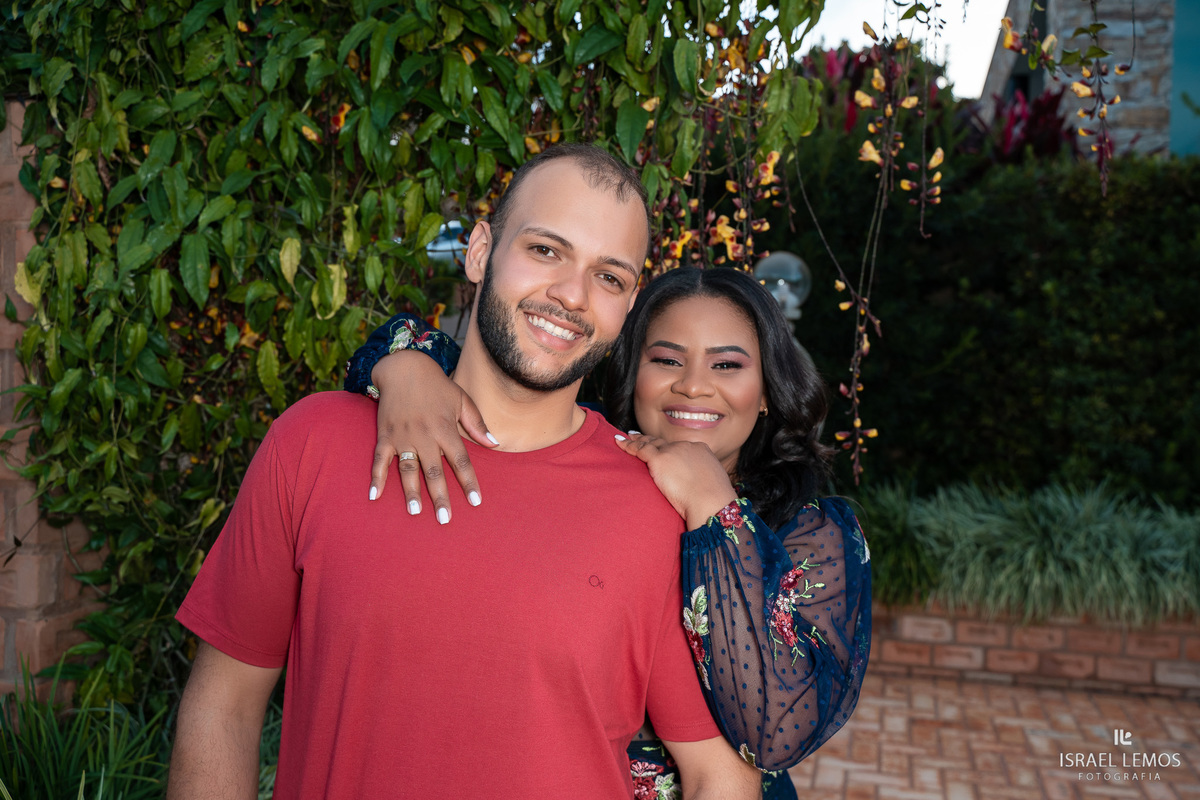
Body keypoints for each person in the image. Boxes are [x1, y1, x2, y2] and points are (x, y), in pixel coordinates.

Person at [168, 144, 761, 800]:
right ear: (480, 251)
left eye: (609, 277)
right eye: (545, 250)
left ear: (627, 308)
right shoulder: (313, 444)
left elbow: (723, 776)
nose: (570, 294)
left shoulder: (656, 508)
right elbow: (224, 705)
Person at [346, 267, 872, 799]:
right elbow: (430, 353)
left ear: (766, 391)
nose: (692, 384)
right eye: (666, 359)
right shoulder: (579, 457)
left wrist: (714, 509)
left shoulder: (811, 535)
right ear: (631, 372)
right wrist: (408, 370)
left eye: (727, 364)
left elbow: (778, 731)